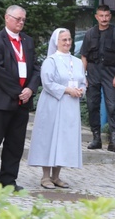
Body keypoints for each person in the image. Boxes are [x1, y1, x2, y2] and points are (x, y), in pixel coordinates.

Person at [0, 5, 41, 191]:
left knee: (15, 143)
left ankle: (9, 179)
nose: (21, 22)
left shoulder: (28, 41)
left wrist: (31, 89)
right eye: (18, 19)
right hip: (3, 99)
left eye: (23, 19)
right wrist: (18, 91)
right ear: (7, 18)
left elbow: (35, 68)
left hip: (23, 100)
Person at [28, 28, 87, 189]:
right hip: (53, 105)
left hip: (70, 106)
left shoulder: (77, 62)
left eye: (69, 39)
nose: (67, 43)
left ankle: (56, 176)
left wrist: (81, 90)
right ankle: (45, 176)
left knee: (64, 139)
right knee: (49, 137)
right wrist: (67, 90)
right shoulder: (51, 61)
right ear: (56, 42)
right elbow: (47, 83)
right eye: (64, 40)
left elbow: (82, 82)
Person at [80, 4, 115, 152]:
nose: (104, 19)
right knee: (92, 105)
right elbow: (84, 56)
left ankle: (113, 141)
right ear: (96, 17)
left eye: (106, 16)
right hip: (93, 72)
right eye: (101, 16)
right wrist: (83, 76)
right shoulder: (89, 34)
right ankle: (96, 139)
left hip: (110, 73)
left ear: (110, 16)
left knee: (112, 106)